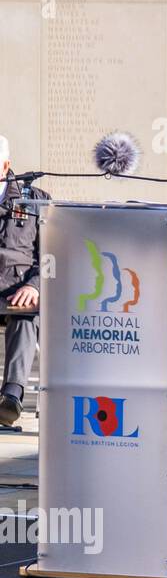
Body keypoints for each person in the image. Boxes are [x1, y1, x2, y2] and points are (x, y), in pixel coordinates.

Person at [0, 134, 43, 428]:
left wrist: (35, 286)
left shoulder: (34, 200)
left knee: (26, 317)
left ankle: (10, 398)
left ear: (5, 167)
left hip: (18, 291)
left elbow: (54, 254)